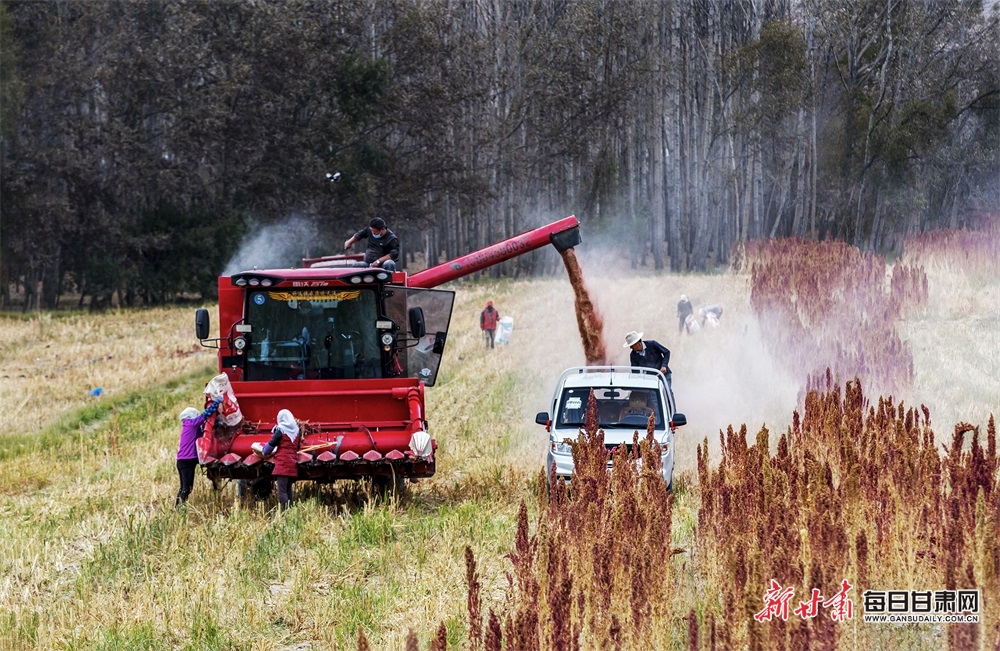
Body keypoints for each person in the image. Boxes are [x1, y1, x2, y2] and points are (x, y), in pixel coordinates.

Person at [175, 396, 223, 507]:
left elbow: (204, 430)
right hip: (187, 461)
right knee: (186, 488)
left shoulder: (188, 426)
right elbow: (205, 415)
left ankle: (178, 507)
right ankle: (179, 508)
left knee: (185, 487)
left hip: (185, 460)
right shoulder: (191, 424)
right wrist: (216, 403)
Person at [252, 409, 301, 510]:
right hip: (292, 463)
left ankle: (286, 512)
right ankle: (291, 512)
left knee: (282, 491)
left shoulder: (280, 430)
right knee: (288, 490)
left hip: (282, 464)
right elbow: (298, 447)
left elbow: (269, 447)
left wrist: (263, 451)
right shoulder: (297, 431)